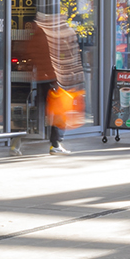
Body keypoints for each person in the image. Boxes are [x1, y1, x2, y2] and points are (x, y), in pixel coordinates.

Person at [17, 11, 83, 154]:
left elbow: (30, 54)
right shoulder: (54, 34)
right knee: (60, 110)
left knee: (38, 109)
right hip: (55, 78)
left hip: (42, 77)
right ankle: (55, 143)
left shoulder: (36, 35)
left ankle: (17, 139)